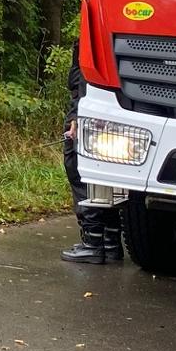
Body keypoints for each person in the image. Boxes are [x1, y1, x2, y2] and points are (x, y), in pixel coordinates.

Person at [61, 60, 122, 263]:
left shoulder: (89, 36)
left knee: (79, 169)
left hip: (91, 108)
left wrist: (76, 116)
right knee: (105, 172)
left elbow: (83, 79)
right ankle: (110, 241)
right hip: (112, 107)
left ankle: (93, 241)